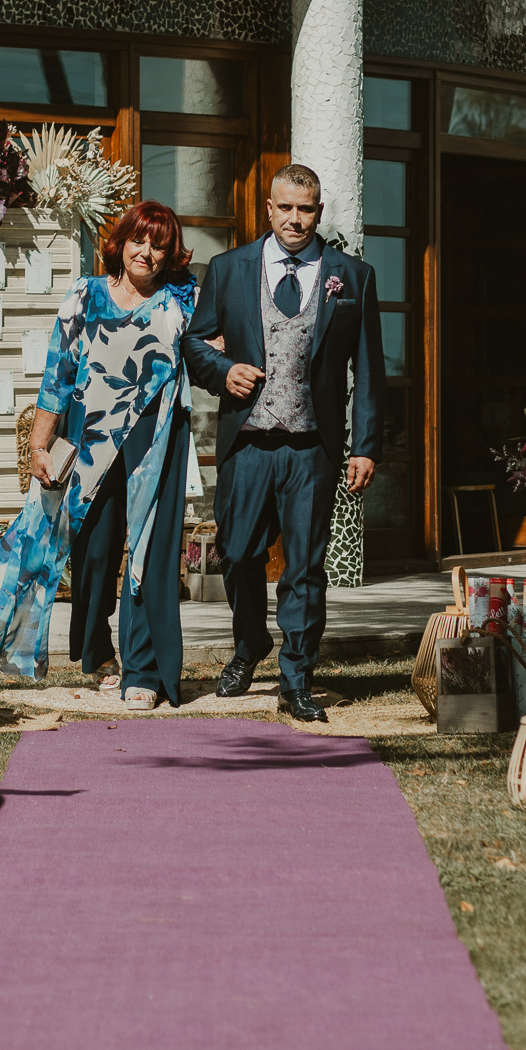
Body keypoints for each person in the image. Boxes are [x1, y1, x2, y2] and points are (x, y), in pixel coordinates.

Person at [183, 165, 384, 723]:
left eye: (307, 209)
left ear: (319, 212)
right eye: (287, 208)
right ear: (269, 209)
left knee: (305, 568)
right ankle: (250, 643)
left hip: (312, 447)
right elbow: (194, 344)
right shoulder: (229, 269)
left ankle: (297, 678)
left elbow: (369, 369)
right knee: (237, 553)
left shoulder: (353, 276)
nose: (296, 219)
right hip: (247, 443)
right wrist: (224, 371)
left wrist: (365, 445)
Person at [0, 201, 196, 710]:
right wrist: (39, 445)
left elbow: (210, 348)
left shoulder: (182, 300)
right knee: (94, 554)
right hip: (90, 441)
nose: (147, 252)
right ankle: (98, 652)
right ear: (121, 242)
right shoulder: (85, 295)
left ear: (170, 254)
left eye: (159, 245)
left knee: (145, 550)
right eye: (139, 240)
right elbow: (57, 376)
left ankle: (142, 669)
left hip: (153, 440)